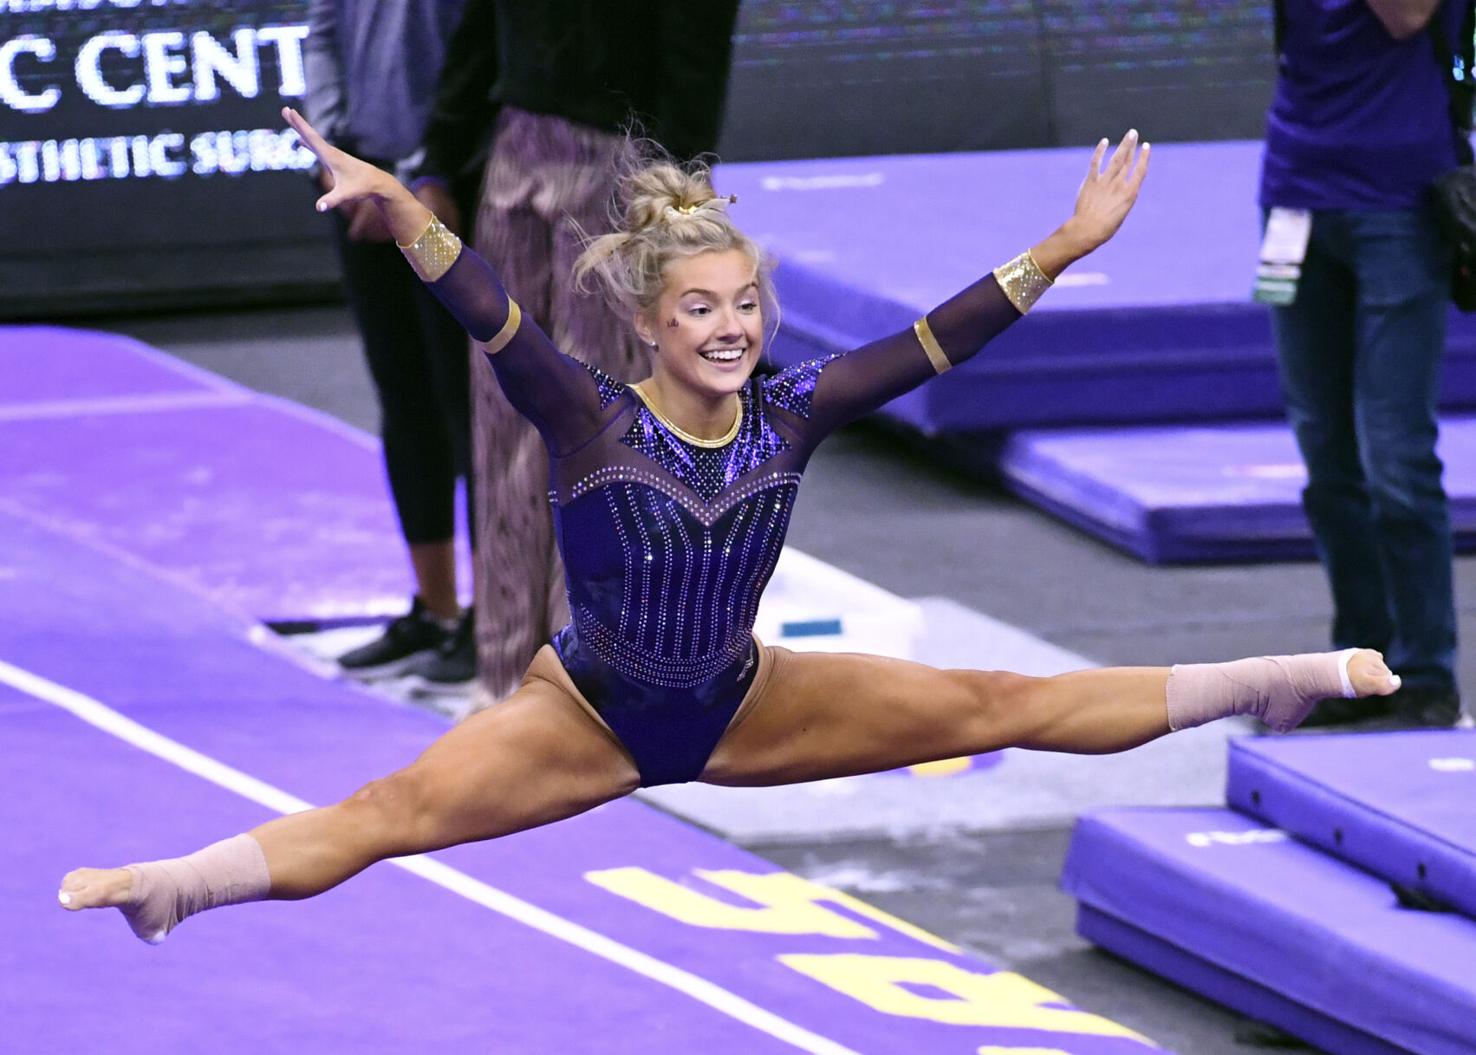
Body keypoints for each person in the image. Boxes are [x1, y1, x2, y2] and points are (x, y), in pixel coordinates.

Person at [56, 109, 1402, 943]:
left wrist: (1058, 247)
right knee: (391, 808)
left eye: (743, 306)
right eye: (698, 310)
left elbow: (934, 343)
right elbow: (482, 310)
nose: (728, 329)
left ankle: (1265, 680)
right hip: (585, 714)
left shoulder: (796, 408)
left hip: (748, 701)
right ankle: (180, 881)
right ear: (647, 322)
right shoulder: (587, 417)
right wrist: (408, 211)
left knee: (1000, 697)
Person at [409, 0, 743, 710]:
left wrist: (683, 186)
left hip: (621, 172)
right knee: (503, 415)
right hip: (516, 152)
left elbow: (697, 42)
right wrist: (438, 158)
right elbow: (477, 30)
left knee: (599, 423)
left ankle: (596, 673)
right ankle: (504, 672)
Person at [1260, 0, 1467, 728]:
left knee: (1396, 458)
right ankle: (1364, 664)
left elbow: (1407, 16)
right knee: (1325, 452)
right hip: (1292, 194)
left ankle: (1428, 673)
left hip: (1399, 205)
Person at [302, 0, 478, 686]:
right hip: (357, 177)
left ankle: (496, 616)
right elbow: (322, 33)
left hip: (453, 180)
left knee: (472, 405)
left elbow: (478, 50)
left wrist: (423, 172)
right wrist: (334, 155)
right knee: (404, 397)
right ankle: (435, 609)